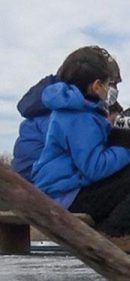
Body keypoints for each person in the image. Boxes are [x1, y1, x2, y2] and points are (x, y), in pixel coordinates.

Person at [31, 46, 130, 256]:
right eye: (110, 84)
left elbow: (101, 158)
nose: (113, 90)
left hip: (75, 192)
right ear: (96, 86)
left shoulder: (89, 113)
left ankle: (102, 235)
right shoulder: (77, 117)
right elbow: (95, 167)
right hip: (64, 199)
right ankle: (111, 235)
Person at [12, 46, 122, 182]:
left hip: (54, 183)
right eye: (111, 83)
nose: (114, 89)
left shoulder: (79, 104)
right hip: (36, 189)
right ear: (94, 83)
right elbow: (89, 158)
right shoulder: (62, 110)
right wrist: (126, 143)